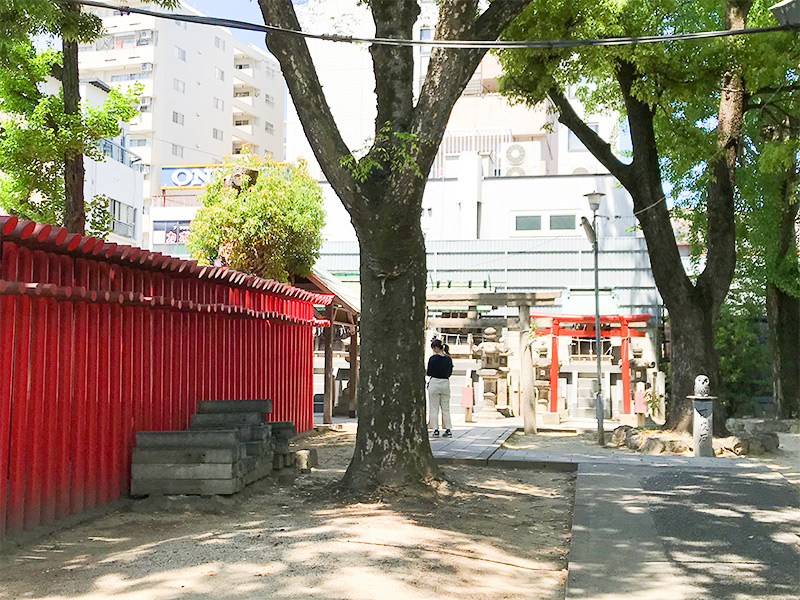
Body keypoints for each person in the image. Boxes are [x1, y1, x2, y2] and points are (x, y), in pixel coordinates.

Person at [427, 338, 453, 437]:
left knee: (434, 408)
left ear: (436, 348)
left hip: (434, 382)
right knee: (446, 408)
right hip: (445, 383)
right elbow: (450, 372)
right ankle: (448, 429)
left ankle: (435, 429)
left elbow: (429, 372)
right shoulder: (448, 358)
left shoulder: (433, 359)